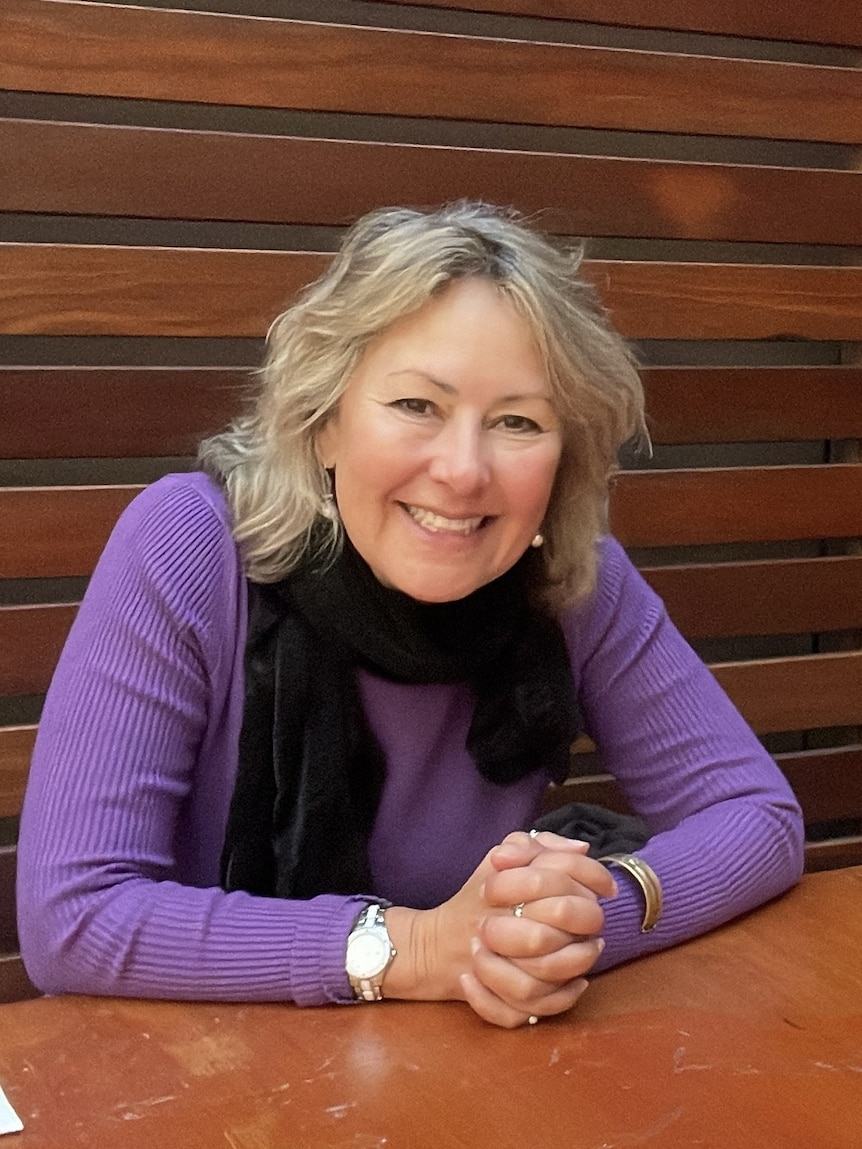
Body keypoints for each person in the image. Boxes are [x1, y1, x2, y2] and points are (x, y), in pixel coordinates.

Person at [16, 202, 804, 1028]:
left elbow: (758, 818)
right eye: (417, 406)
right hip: (203, 1074)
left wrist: (575, 926)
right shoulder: (190, 545)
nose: (463, 471)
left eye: (517, 421)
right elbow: (74, 918)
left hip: (453, 1077)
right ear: (324, 421)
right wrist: (412, 949)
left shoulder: (573, 579)